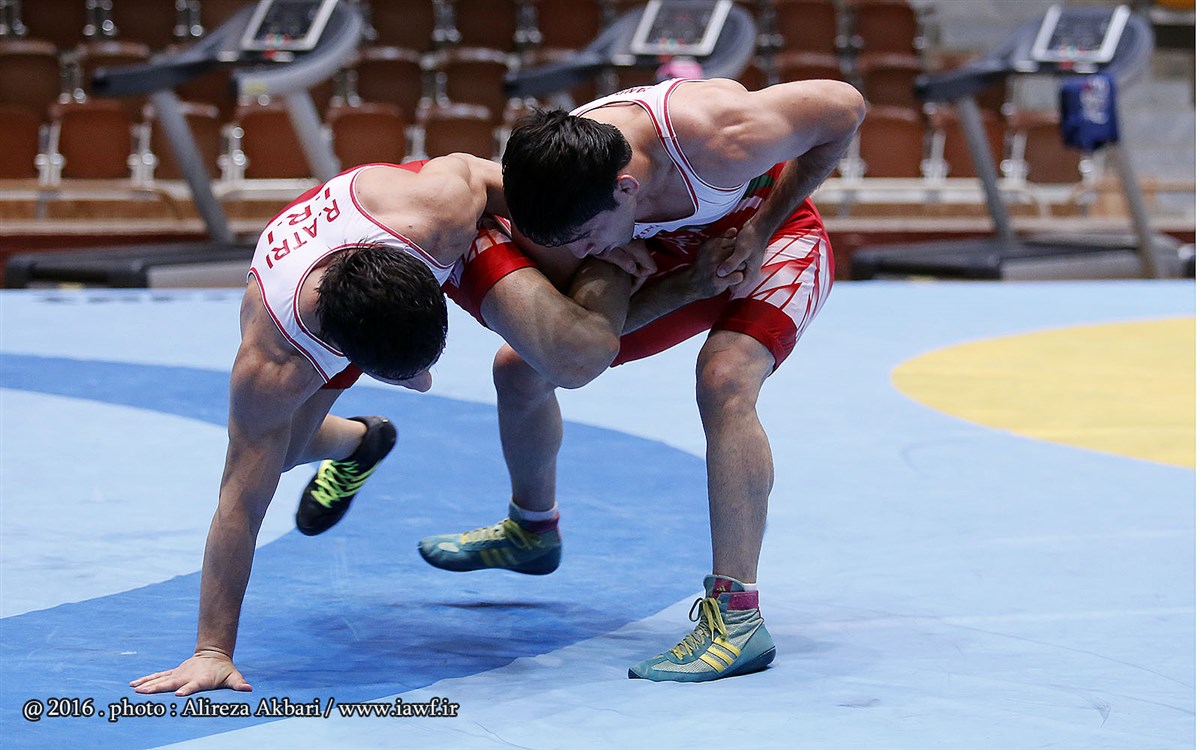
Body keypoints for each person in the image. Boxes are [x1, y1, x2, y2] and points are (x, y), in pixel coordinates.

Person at [130, 155, 634, 696]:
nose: (426, 384)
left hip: (396, 239)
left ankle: (522, 512)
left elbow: (521, 184)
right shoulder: (273, 364)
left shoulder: (440, 211)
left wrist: (601, 233)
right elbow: (239, 505)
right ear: (349, 361)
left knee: (565, 328)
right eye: (406, 376)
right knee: (274, 459)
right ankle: (362, 442)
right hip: (327, 308)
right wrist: (212, 650)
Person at [416, 77, 865, 683]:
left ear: (626, 189)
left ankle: (737, 619)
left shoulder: (720, 134)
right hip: (671, 255)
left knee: (724, 377)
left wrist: (761, 229)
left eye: (585, 236)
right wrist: (614, 257)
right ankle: (532, 530)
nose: (582, 250)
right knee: (523, 368)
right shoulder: (555, 170)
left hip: (771, 241)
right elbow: (476, 184)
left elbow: (845, 108)